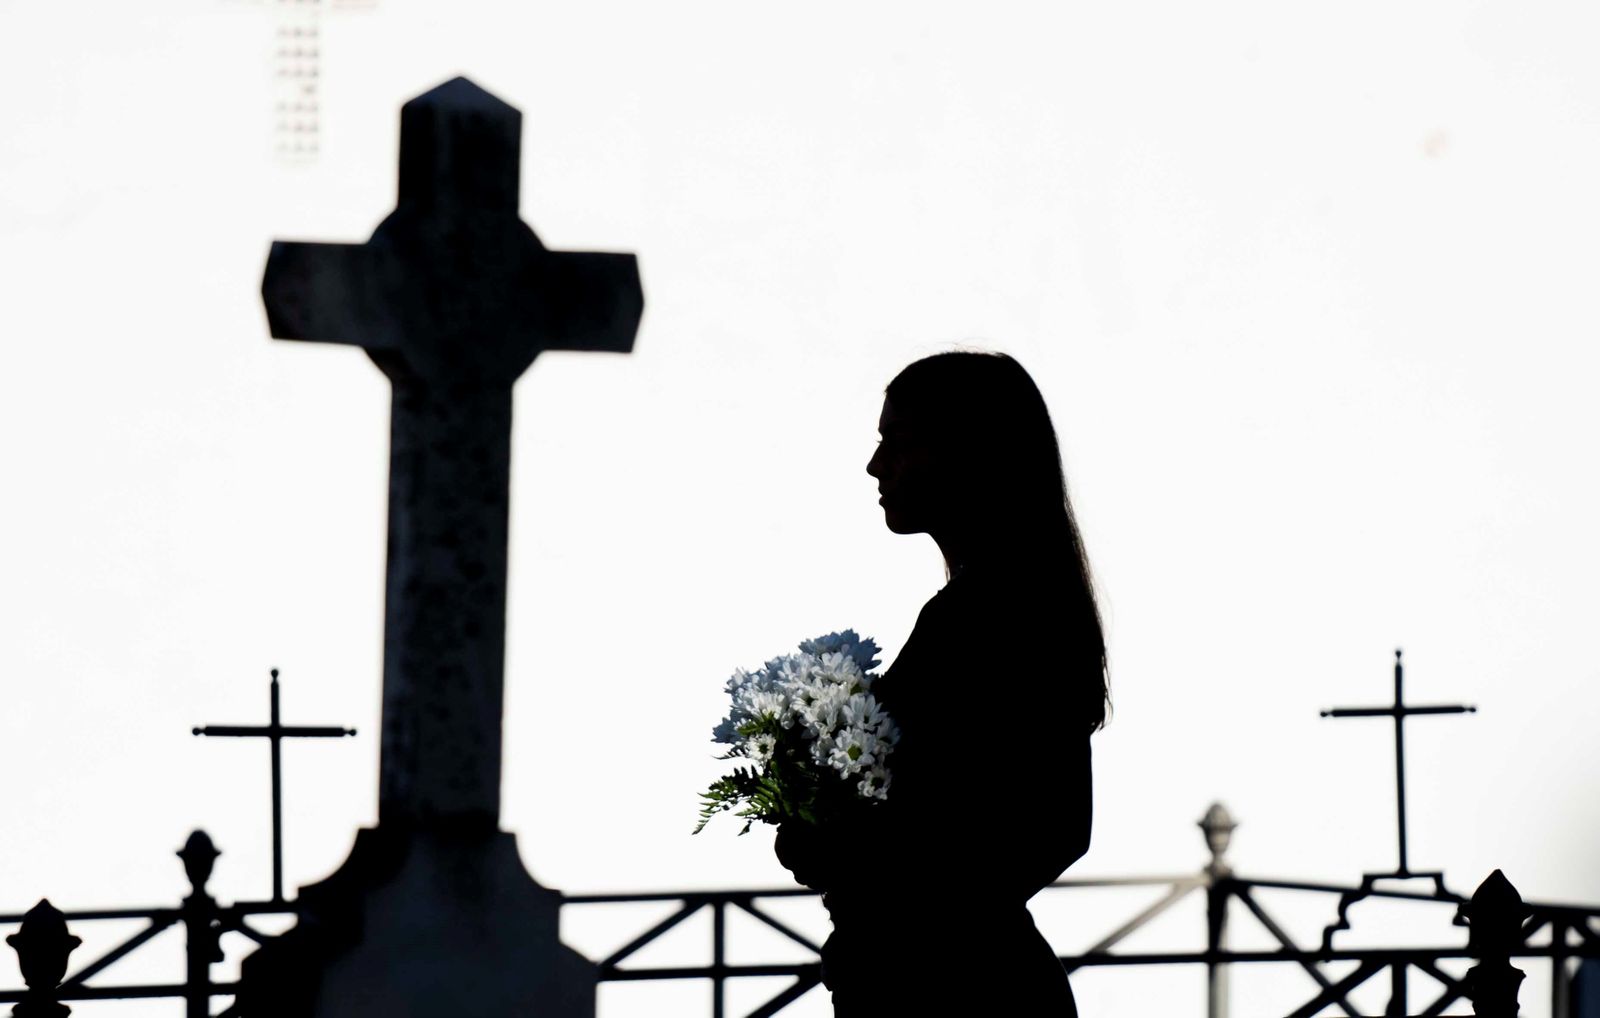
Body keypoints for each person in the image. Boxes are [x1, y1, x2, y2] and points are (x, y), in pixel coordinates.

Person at [774, 350, 1108, 1016]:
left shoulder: (993, 616)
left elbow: (1041, 824)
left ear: (968, 452)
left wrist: (829, 825)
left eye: (897, 441)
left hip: (953, 991)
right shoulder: (997, 608)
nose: (876, 465)